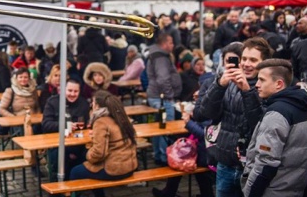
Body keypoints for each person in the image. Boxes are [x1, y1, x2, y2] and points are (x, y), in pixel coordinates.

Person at [199, 37, 272, 197]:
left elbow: (259, 125)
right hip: (225, 163)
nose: (246, 63)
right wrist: (219, 85)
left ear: (264, 63)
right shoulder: (228, 82)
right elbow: (206, 113)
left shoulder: (269, 87)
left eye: (253, 60)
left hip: (251, 168)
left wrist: (247, 91)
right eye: (244, 58)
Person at [241, 59, 307, 197]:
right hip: (294, 188)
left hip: (273, 191)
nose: (256, 85)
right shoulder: (301, 106)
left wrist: (250, 193)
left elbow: (266, 163)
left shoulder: (277, 113)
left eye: (262, 80)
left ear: (278, 84)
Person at [69, 91, 138, 197]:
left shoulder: (101, 121)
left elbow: (99, 153)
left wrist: (88, 154)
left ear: (97, 105)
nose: (91, 105)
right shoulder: (121, 117)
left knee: (75, 171)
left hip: (114, 170)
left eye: (92, 102)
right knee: (89, 165)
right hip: (130, 167)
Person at [152, 91, 215, 197]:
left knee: (179, 158)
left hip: (208, 154)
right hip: (206, 152)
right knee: (186, 158)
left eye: (201, 89)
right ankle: (206, 194)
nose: (196, 93)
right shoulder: (208, 107)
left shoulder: (211, 109)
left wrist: (188, 122)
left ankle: (169, 192)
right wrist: (193, 118)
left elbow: (205, 135)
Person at [42, 79, 91, 181]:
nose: (72, 94)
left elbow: (86, 125)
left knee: (89, 156)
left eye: (75, 91)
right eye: (70, 91)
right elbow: (46, 124)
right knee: (59, 157)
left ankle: (77, 188)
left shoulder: (83, 103)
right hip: (57, 143)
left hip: (78, 143)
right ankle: (58, 187)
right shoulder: (53, 102)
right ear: (63, 90)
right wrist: (64, 125)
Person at [146, 33, 180, 165]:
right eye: (171, 43)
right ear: (165, 43)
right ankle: (164, 157)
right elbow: (163, 78)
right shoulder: (160, 57)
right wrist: (169, 94)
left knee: (158, 127)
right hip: (162, 98)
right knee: (165, 128)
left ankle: (159, 155)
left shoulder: (157, 55)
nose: (173, 45)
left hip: (158, 96)